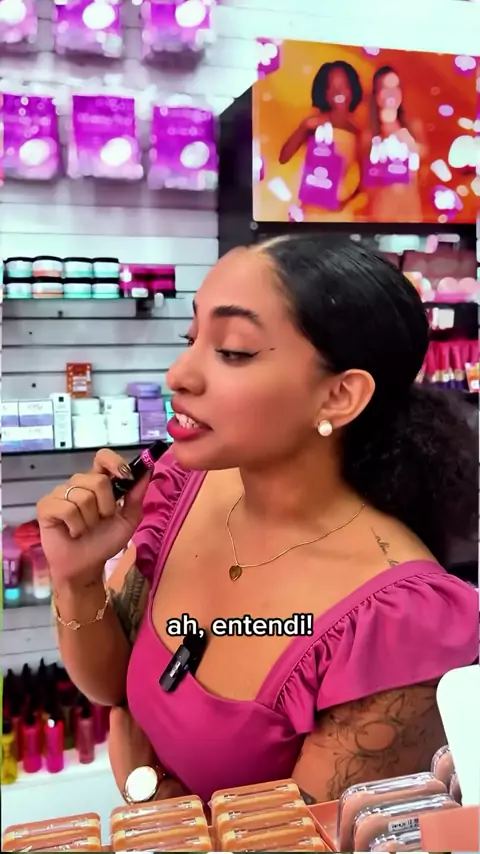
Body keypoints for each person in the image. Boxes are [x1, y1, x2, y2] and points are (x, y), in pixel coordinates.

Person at [38, 238, 478, 807]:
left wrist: (147, 793)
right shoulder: (180, 487)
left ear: (339, 396)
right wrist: (77, 577)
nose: (178, 375)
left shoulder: (397, 623)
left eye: (233, 351)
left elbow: (295, 839)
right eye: (191, 339)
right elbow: (112, 687)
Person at [279, 61, 366, 218]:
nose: (338, 91)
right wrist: (304, 127)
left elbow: (365, 179)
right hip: (308, 210)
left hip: (337, 213)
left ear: (353, 89)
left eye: (344, 85)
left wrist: (344, 203)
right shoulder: (314, 124)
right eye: (331, 86)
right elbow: (283, 157)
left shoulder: (358, 132)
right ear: (324, 92)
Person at [366, 65, 427, 222]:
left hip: (409, 209)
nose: (391, 93)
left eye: (396, 87)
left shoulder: (413, 127)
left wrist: (401, 134)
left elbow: (423, 154)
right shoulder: (370, 132)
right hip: (382, 211)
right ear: (376, 93)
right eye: (385, 88)